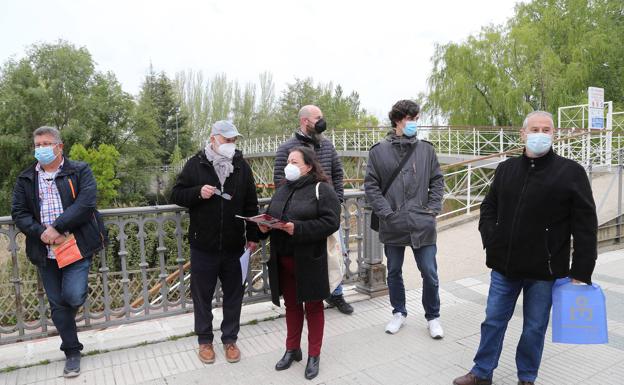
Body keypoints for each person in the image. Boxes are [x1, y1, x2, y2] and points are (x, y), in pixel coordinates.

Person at [452, 111, 598, 385]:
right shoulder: (506, 169)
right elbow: (488, 207)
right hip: (505, 267)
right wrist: (492, 239)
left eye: (546, 130)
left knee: (534, 328)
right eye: (535, 129)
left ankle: (527, 377)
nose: (540, 135)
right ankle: (482, 372)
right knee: (493, 321)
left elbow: (586, 225)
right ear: (523, 134)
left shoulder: (571, 172)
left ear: (553, 135)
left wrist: (581, 270)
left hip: (545, 270)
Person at [11, 126, 108, 378]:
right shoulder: (26, 179)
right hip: (45, 250)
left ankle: (68, 322)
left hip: (75, 245)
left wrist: (58, 227)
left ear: (59, 146)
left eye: (46, 143)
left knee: (73, 297)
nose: (40, 148)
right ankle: (72, 352)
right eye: (37, 144)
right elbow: (19, 212)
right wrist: (41, 233)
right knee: (57, 304)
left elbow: (86, 203)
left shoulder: (79, 170)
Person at [170, 120, 259, 365]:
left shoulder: (241, 167)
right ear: (213, 139)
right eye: (226, 139)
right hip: (203, 246)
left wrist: (252, 236)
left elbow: (251, 204)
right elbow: (176, 194)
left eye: (233, 140)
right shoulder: (196, 164)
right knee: (202, 296)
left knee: (233, 296)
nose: (231, 144)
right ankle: (205, 341)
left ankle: (230, 339)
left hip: (234, 246)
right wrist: (198, 192)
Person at [364, 99, 444, 338]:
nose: (414, 124)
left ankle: (433, 316)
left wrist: (432, 209)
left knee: (429, 272)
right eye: (411, 119)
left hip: (422, 222)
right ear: (398, 120)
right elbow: (371, 186)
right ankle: (399, 312)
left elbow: (437, 180)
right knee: (394, 271)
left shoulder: (426, 150)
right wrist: (386, 213)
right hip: (393, 222)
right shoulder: (378, 151)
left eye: (416, 119)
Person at [259, 146, 341, 380]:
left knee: (313, 308)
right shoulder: (283, 188)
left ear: (308, 165)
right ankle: (292, 349)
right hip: (283, 259)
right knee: (292, 306)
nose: (289, 165)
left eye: (294, 162)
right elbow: (271, 214)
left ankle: (314, 355)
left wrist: (299, 228)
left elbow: (331, 222)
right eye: (288, 161)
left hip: (309, 261)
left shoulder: (322, 189)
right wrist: (264, 226)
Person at [273, 105, 353, 315]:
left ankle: (336, 295)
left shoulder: (327, 145)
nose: (322, 121)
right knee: (307, 260)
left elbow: (338, 174)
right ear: (305, 121)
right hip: (301, 217)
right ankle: (309, 297)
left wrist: (336, 201)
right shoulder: (286, 149)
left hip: (326, 214)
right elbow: (279, 184)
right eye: (318, 118)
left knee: (334, 255)